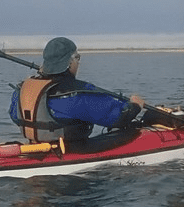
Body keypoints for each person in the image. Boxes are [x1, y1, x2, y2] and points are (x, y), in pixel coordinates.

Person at [9, 36, 153, 143]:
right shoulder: (77, 93)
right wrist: (134, 106)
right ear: (70, 62)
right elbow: (118, 117)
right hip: (71, 151)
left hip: (37, 146)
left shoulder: (22, 89)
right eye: (77, 58)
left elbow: (14, 115)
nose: (78, 63)